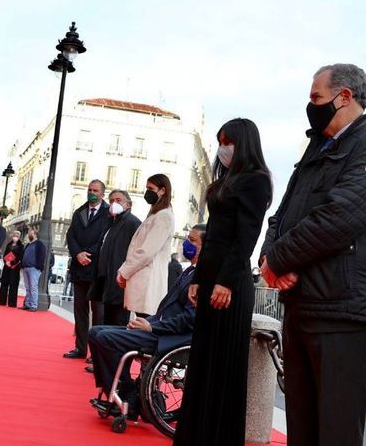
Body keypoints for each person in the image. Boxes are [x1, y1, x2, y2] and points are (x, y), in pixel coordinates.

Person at [259, 63, 366, 446]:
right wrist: (268, 257)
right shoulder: (315, 150)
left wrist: (279, 261)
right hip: (304, 304)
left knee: (335, 430)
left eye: (316, 98)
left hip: (343, 310)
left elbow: (339, 218)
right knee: (302, 429)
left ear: (344, 97)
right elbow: (283, 214)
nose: (311, 106)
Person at [177, 118, 272, 446]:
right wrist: (199, 279)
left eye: (228, 141)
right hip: (211, 280)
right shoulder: (225, 183)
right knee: (202, 363)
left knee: (223, 369)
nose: (222, 148)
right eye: (219, 141)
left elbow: (246, 237)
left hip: (230, 286)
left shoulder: (257, 182)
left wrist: (225, 283)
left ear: (243, 143)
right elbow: (213, 237)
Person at [88, 223, 203, 419]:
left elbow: (189, 320)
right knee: (95, 332)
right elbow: (168, 310)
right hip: (159, 328)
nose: (186, 244)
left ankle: (127, 394)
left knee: (106, 338)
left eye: (192, 241)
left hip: (170, 337)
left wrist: (151, 326)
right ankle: (121, 391)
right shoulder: (190, 271)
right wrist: (147, 322)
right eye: (187, 239)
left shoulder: (201, 279)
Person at [64, 179, 112, 359]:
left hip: (96, 270)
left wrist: (87, 254)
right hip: (79, 269)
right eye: (90, 189)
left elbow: (103, 239)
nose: (92, 192)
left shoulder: (108, 213)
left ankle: (95, 352)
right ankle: (80, 348)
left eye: (95, 190)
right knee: (80, 310)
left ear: (102, 194)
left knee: (98, 313)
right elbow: (71, 235)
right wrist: (77, 254)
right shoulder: (80, 212)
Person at [117, 174, 174, 318]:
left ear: (162, 190)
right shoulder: (157, 214)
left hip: (148, 283)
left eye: (151, 188)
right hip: (143, 281)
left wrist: (124, 271)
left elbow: (147, 251)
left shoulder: (163, 216)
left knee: (143, 326)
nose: (147, 192)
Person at [94, 190, 141, 327]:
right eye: (112, 200)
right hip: (106, 280)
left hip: (119, 281)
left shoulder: (133, 223)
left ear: (128, 204)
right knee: (105, 321)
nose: (114, 203)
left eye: (119, 200)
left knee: (117, 322)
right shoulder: (110, 222)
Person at [20, 229, 45, 311]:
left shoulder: (39, 244)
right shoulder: (28, 244)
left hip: (34, 269)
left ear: (35, 234)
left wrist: (38, 267)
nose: (29, 234)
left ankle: (33, 305)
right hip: (26, 268)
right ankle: (27, 304)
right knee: (27, 287)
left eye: (30, 233)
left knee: (33, 287)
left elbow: (42, 256)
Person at [0, 230, 24, 308]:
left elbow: (20, 257)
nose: (15, 236)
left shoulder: (21, 246)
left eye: (17, 235)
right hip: (6, 267)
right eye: (14, 234)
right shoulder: (8, 244)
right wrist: (6, 261)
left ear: (19, 237)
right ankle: (2, 301)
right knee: (4, 284)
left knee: (13, 285)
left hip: (15, 268)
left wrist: (12, 263)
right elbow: (5, 255)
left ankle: (12, 303)